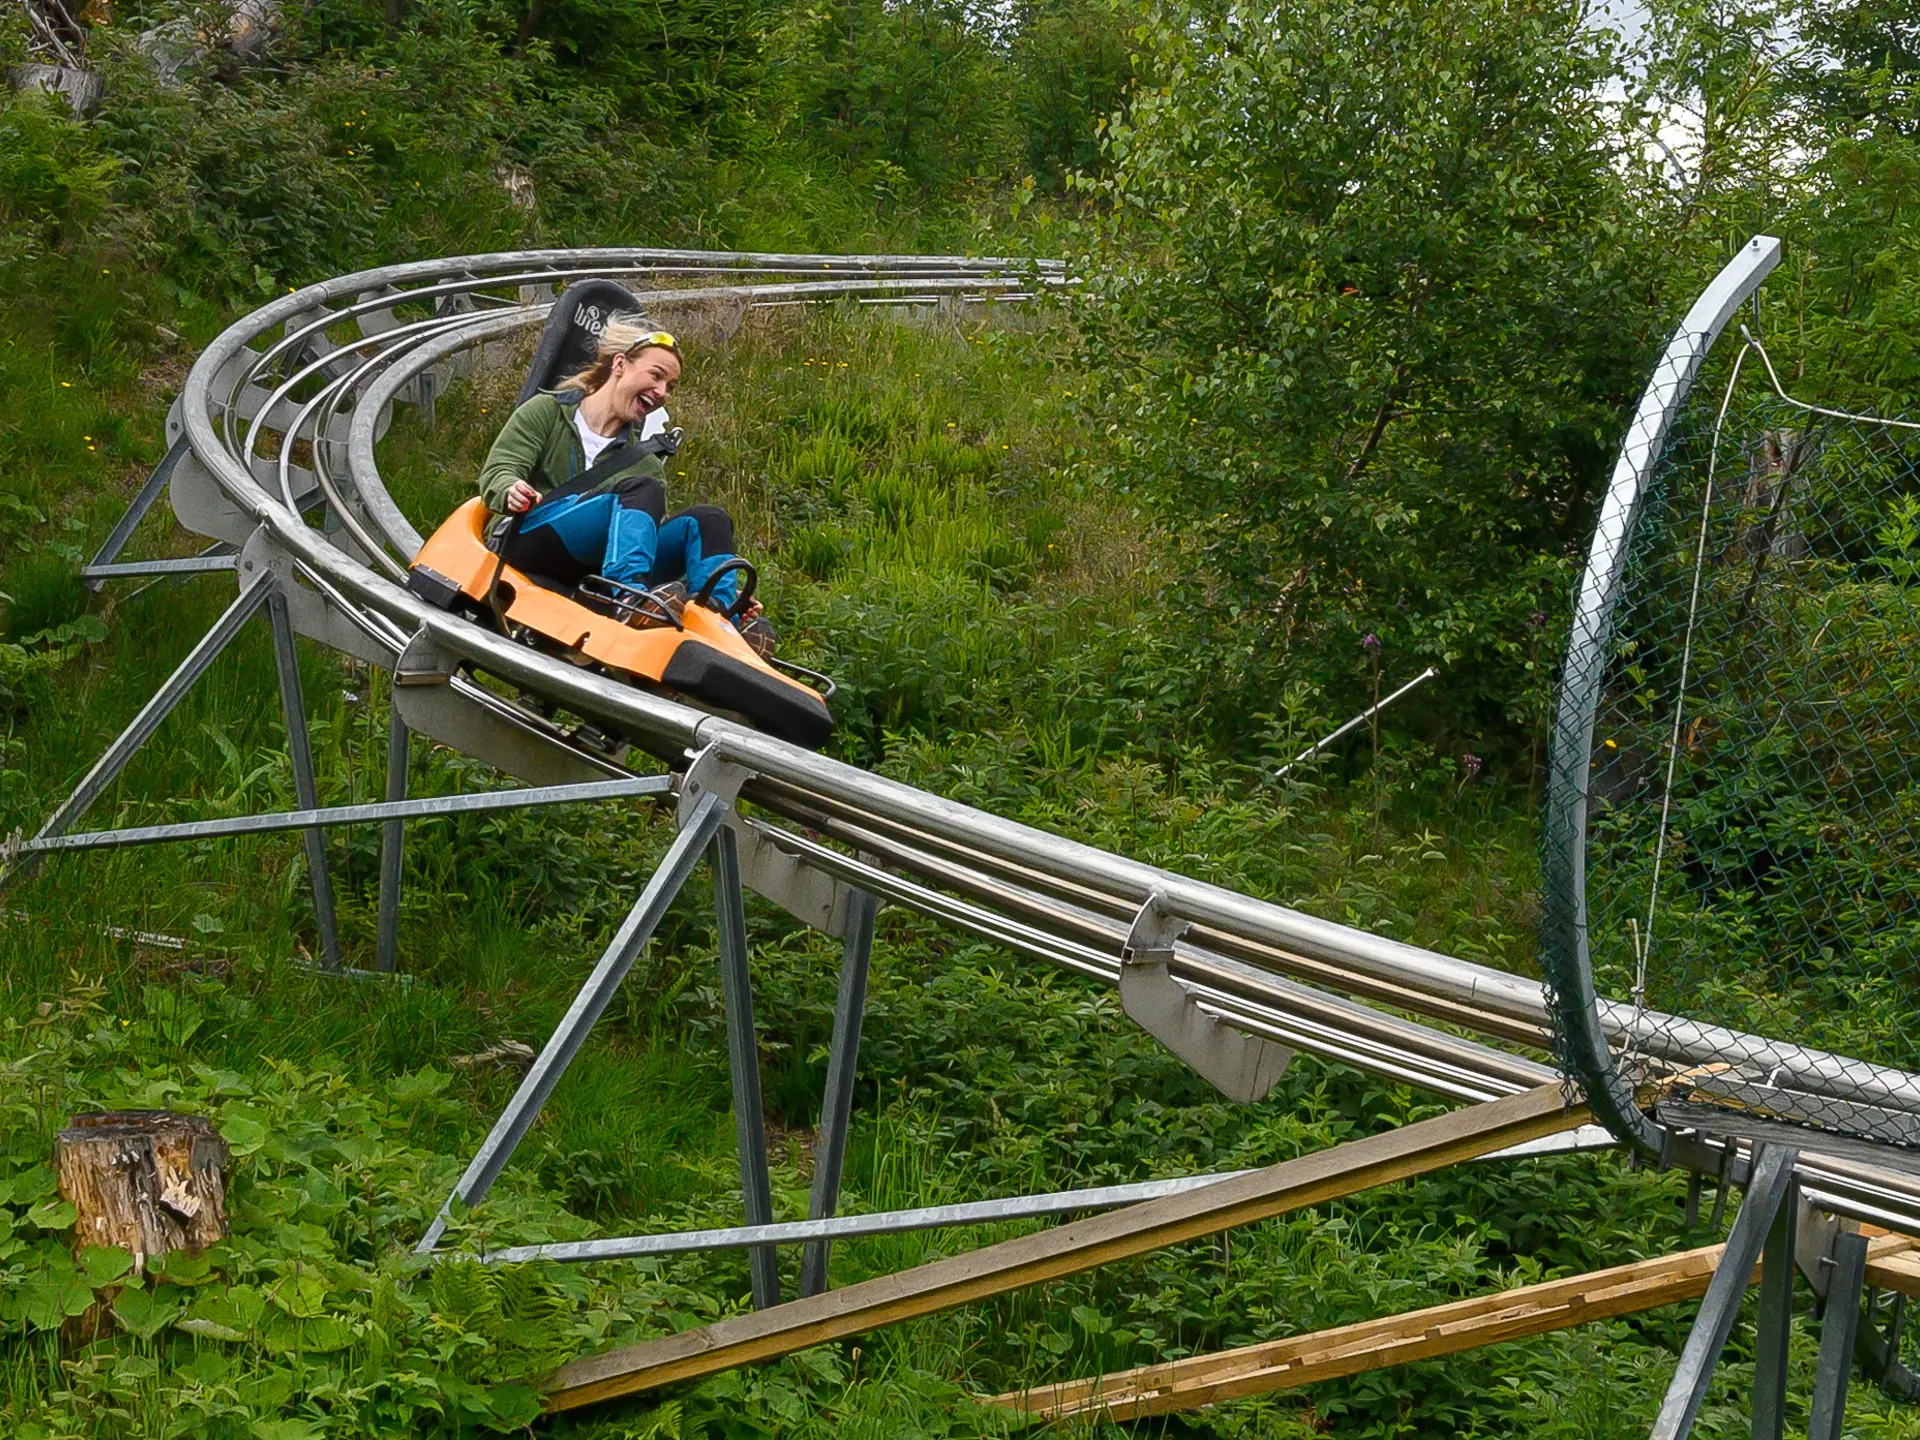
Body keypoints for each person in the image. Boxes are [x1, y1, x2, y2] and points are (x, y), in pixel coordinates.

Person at [476, 317, 768, 647]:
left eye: (670, 387)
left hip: (595, 569)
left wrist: (694, 584)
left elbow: (640, 541)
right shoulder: (547, 411)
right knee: (641, 489)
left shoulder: (645, 463)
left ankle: (716, 617)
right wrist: (510, 489)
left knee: (710, 519)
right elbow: (500, 469)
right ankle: (629, 602)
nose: (662, 392)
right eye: (656, 376)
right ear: (620, 365)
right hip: (527, 536)